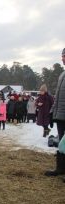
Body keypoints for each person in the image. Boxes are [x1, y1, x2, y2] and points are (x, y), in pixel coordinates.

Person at [45, 48, 65, 177]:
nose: (62, 58)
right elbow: (57, 97)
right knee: (62, 143)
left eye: (64, 56)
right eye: (62, 56)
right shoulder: (62, 75)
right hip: (60, 115)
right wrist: (52, 112)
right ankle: (61, 168)